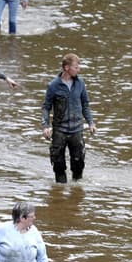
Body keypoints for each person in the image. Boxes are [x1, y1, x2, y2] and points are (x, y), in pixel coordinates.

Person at [41, 53, 96, 183]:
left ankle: (76, 193)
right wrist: (45, 126)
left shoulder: (80, 83)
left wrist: (91, 123)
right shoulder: (53, 86)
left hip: (77, 130)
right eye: (76, 67)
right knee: (58, 166)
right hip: (59, 130)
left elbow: (85, 104)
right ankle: (60, 195)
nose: (79, 69)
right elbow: (46, 107)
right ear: (66, 68)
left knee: (78, 165)